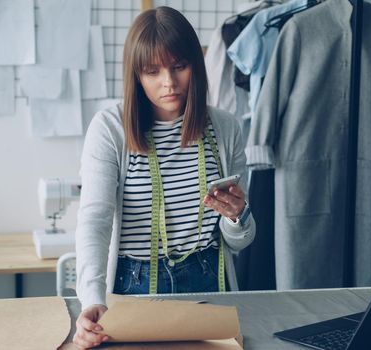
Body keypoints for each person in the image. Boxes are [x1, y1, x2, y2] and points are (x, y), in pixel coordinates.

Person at [73, 6, 256, 348]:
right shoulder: (110, 129)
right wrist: (93, 299)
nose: (169, 83)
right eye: (152, 71)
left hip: (210, 283)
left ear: (195, 67)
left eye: (179, 67)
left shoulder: (225, 127)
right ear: (135, 76)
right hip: (133, 287)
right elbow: (94, 220)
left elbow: (240, 241)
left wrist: (236, 216)